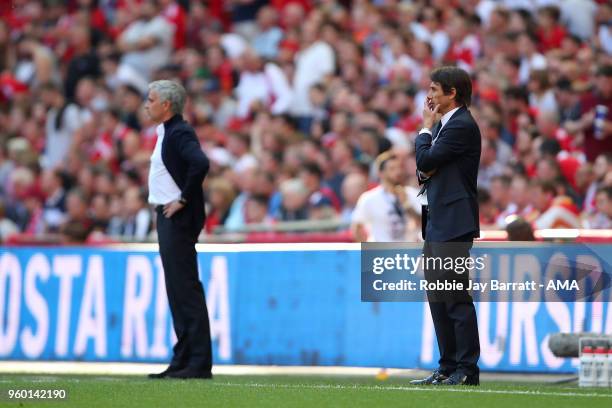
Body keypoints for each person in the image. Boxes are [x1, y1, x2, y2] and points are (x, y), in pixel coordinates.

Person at [411, 66, 481, 386]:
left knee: (454, 296)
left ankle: (466, 369)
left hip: (453, 222)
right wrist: (427, 161)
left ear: (452, 93)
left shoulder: (460, 125)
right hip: (439, 220)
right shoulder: (448, 126)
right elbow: (425, 172)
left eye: (434, 89)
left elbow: (425, 162)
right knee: (439, 297)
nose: (429, 96)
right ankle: (448, 365)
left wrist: (426, 130)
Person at [145, 80, 213, 379]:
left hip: (177, 218)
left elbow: (199, 163)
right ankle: (184, 358)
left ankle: (197, 362)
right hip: (168, 216)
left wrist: (183, 198)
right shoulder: (167, 132)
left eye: (151, 100)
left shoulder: (179, 132)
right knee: (178, 290)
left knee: (185, 289)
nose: (146, 105)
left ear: (166, 105)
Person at [351, 151, 421, 242]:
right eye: (392, 169)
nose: (398, 172)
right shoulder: (369, 198)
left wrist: (407, 206)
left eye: (399, 168)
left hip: (407, 252)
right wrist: (368, 252)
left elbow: (425, 223)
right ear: (381, 173)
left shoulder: (412, 194)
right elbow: (357, 227)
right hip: (380, 252)